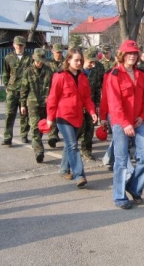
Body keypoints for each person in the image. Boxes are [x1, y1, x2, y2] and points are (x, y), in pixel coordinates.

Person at [107, 40, 144, 209]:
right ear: (122, 55)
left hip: (138, 121)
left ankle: (133, 187)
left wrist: (142, 116)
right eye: (129, 53)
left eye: (135, 53)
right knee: (120, 161)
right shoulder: (115, 75)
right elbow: (114, 103)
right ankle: (119, 196)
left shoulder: (141, 75)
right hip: (121, 123)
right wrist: (125, 123)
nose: (132, 56)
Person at [46, 48, 97, 187]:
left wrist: (92, 112)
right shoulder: (60, 76)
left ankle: (63, 169)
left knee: (70, 144)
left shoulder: (83, 77)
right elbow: (52, 98)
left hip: (78, 116)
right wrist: (50, 118)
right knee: (73, 145)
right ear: (68, 60)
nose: (79, 63)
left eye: (80, 60)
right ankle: (79, 175)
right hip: (63, 116)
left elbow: (87, 97)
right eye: (76, 60)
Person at [20, 48, 54, 163]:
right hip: (33, 103)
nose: (40, 62)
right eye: (38, 60)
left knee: (43, 127)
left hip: (46, 103)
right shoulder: (28, 71)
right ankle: (39, 151)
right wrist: (22, 104)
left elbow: (54, 87)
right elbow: (24, 89)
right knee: (34, 127)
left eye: (42, 60)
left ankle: (38, 143)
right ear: (34, 58)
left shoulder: (49, 70)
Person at [1, 35, 32, 146]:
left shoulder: (30, 58)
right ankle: (7, 137)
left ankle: (24, 135)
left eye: (21, 45)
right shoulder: (8, 57)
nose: (19, 47)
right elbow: (6, 73)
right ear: (13, 45)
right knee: (9, 114)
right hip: (12, 90)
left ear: (24, 45)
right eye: (17, 45)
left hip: (25, 91)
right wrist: (6, 86)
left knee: (25, 115)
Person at [78, 47, 104, 161]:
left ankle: (87, 150)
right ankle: (71, 148)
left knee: (90, 128)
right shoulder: (76, 69)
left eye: (94, 62)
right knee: (78, 128)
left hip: (91, 103)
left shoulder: (98, 68)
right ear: (84, 58)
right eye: (90, 62)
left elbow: (98, 87)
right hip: (77, 104)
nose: (92, 64)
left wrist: (98, 104)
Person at [47, 43, 65, 148]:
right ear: (52, 51)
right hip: (51, 91)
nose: (58, 54)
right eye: (57, 52)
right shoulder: (48, 63)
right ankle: (52, 136)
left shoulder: (65, 62)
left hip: (63, 92)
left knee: (61, 114)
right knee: (52, 113)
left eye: (60, 52)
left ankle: (58, 132)